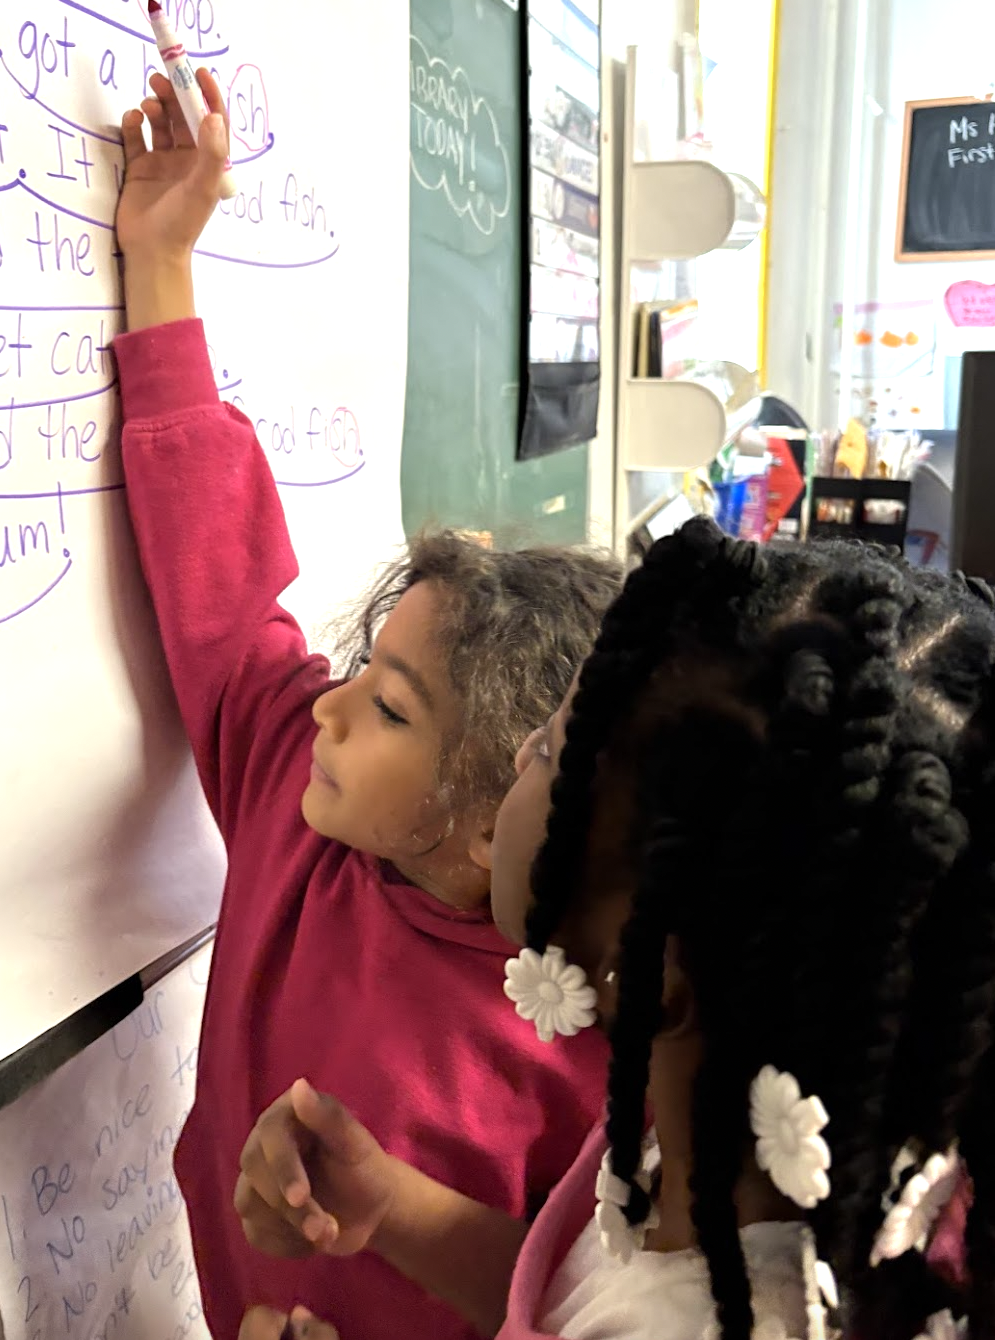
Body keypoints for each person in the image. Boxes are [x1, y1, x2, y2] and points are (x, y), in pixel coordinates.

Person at [113, 71, 619, 1340]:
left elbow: (582, 1301)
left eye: (390, 710)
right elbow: (222, 587)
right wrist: (162, 263)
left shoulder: (592, 1043)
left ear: (506, 795)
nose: (327, 716)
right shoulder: (304, 807)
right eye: (358, 677)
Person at [237, 521, 995, 1340]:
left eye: (550, 751)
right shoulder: (702, 1144)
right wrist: (394, 1206)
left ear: (651, 967)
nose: (526, 753)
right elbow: (567, 1293)